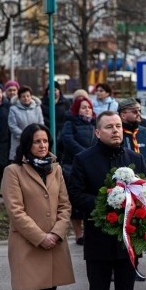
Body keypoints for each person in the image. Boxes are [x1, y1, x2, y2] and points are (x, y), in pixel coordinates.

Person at [67, 111, 146, 290]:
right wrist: (108, 202)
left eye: (118, 126)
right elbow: (77, 196)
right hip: (99, 241)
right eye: (109, 126)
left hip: (127, 241)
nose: (115, 130)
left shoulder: (134, 158)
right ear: (97, 132)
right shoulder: (84, 159)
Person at [2, 124, 75, 290]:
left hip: (54, 244)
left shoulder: (56, 169)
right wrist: (39, 236)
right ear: (26, 145)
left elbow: (65, 206)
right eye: (37, 142)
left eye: (45, 141)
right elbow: (15, 211)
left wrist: (55, 233)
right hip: (27, 244)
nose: (43, 146)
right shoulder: (13, 171)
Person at [59, 95, 95, 244]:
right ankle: (78, 234)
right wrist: (85, 154)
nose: (87, 110)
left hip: (91, 165)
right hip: (72, 166)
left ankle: (89, 232)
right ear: (77, 109)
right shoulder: (70, 123)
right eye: (83, 107)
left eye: (89, 107)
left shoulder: (95, 124)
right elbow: (68, 141)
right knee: (76, 201)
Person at [118, 98, 146, 178]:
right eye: (135, 111)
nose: (139, 114)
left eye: (139, 111)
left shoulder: (145, 132)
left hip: (145, 180)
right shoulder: (117, 133)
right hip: (124, 180)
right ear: (123, 115)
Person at [8, 86, 44, 160]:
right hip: (19, 142)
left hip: (35, 141)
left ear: (31, 96)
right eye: (23, 96)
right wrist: (25, 136)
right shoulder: (13, 109)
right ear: (19, 98)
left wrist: (35, 136)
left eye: (28, 96)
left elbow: (41, 123)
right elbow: (12, 126)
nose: (26, 98)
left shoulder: (37, 108)